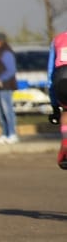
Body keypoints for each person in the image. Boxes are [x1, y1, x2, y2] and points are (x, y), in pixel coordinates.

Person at [0, 32, 19, 145]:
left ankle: (12, 133)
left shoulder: (6, 53)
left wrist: (1, 79)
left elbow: (11, 69)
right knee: (1, 112)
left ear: (0, 41)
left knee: (7, 110)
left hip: (5, 86)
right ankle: (4, 133)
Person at [48, 27, 67, 168]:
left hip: (61, 77)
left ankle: (66, 141)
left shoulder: (58, 39)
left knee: (66, 111)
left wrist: (54, 105)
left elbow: (50, 72)